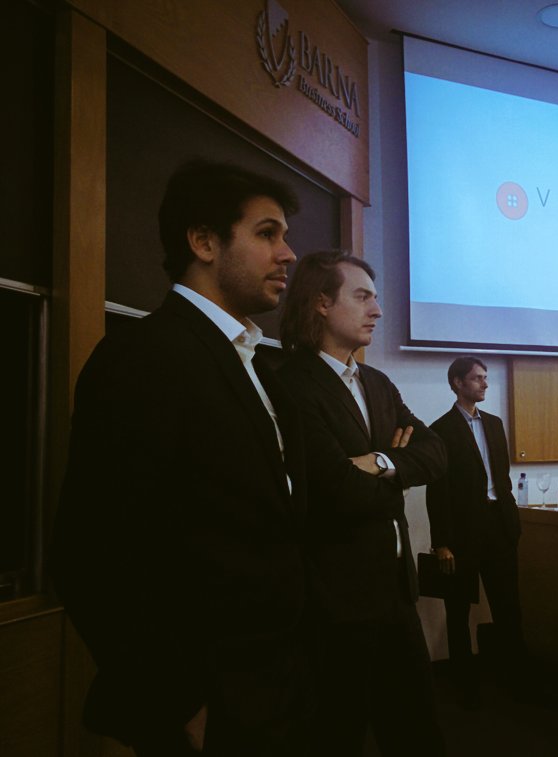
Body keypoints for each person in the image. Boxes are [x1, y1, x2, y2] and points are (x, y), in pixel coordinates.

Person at [50, 159, 312, 755]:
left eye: (285, 235)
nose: (288, 253)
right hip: (207, 708)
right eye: (266, 233)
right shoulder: (143, 357)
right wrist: (179, 705)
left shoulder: (258, 368)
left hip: (277, 687)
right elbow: (90, 555)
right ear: (204, 242)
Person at [277, 250, 446, 756]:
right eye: (363, 297)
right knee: (336, 736)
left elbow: (437, 453)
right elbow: (336, 488)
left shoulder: (377, 383)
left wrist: (379, 462)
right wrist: (397, 468)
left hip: (396, 593)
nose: (378, 310)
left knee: (417, 735)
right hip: (335, 603)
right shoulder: (290, 383)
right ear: (322, 303)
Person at [426, 357, 525, 709]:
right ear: (457, 383)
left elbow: (503, 479)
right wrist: (441, 543)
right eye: (477, 378)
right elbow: (437, 489)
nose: (484, 383)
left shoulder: (495, 424)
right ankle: (465, 688)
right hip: (462, 533)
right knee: (458, 613)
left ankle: (519, 684)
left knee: (509, 608)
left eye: (485, 377)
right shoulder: (440, 429)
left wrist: (511, 525)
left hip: (498, 526)